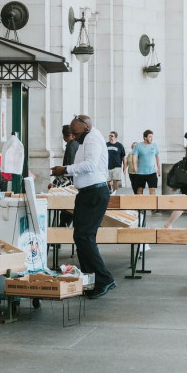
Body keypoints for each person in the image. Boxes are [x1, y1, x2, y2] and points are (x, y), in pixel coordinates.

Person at [50, 115, 115, 299]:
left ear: (86, 127)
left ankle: (103, 279)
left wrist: (66, 169)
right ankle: (91, 280)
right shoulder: (85, 139)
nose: (74, 137)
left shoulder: (93, 138)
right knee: (81, 237)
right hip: (87, 193)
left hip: (94, 193)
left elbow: (90, 165)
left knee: (84, 237)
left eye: (76, 133)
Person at [133, 130, 161, 194]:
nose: (152, 138)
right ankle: (139, 203)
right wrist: (134, 166)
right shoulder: (138, 146)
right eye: (150, 137)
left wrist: (159, 169)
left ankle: (152, 204)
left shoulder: (154, 145)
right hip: (140, 172)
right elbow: (134, 156)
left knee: (152, 189)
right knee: (139, 190)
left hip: (152, 172)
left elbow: (157, 157)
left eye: (152, 137)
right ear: (145, 137)